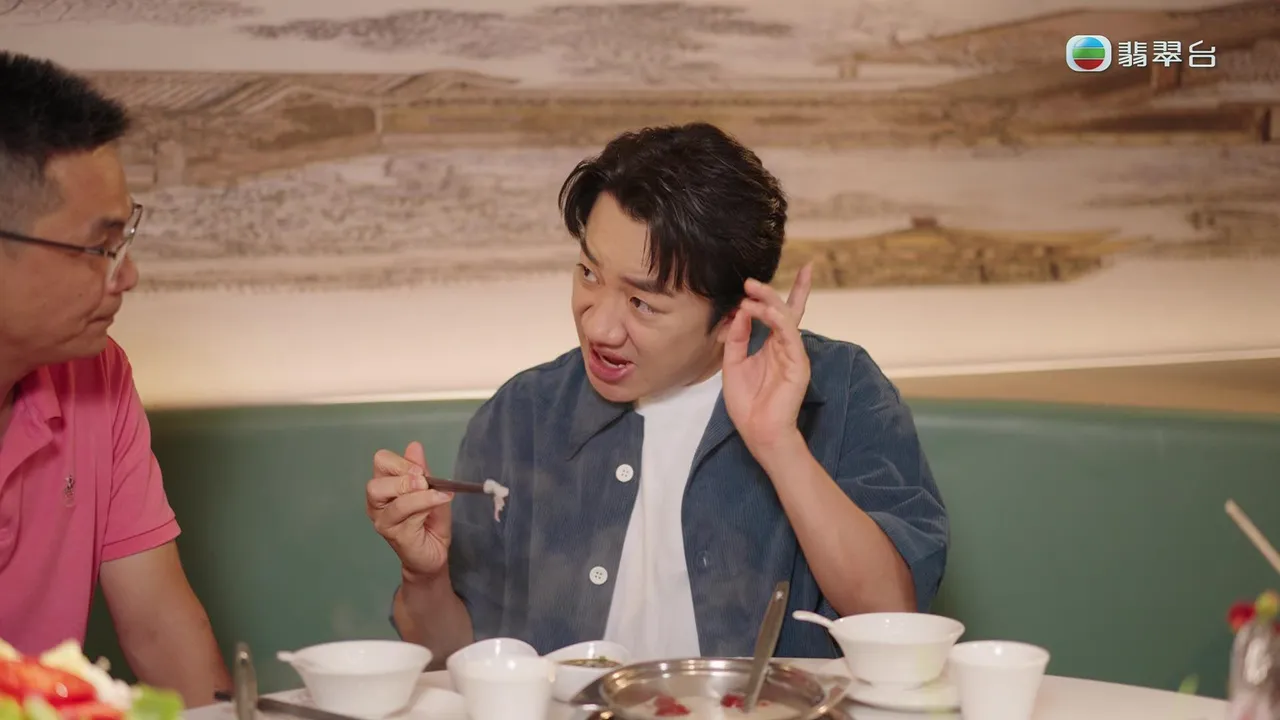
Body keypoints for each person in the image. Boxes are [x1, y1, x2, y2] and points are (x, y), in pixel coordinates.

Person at [367, 122, 949, 663]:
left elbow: (891, 616)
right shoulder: (523, 414)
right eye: (589, 273)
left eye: (642, 303)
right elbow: (458, 661)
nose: (599, 327)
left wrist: (779, 444)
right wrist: (424, 577)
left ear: (733, 317)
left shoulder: (841, 390)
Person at [0, 51, 230, 705]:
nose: (126, 275)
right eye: (98, 248)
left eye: (123, 241)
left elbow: (161, 629)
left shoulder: (96, 373)